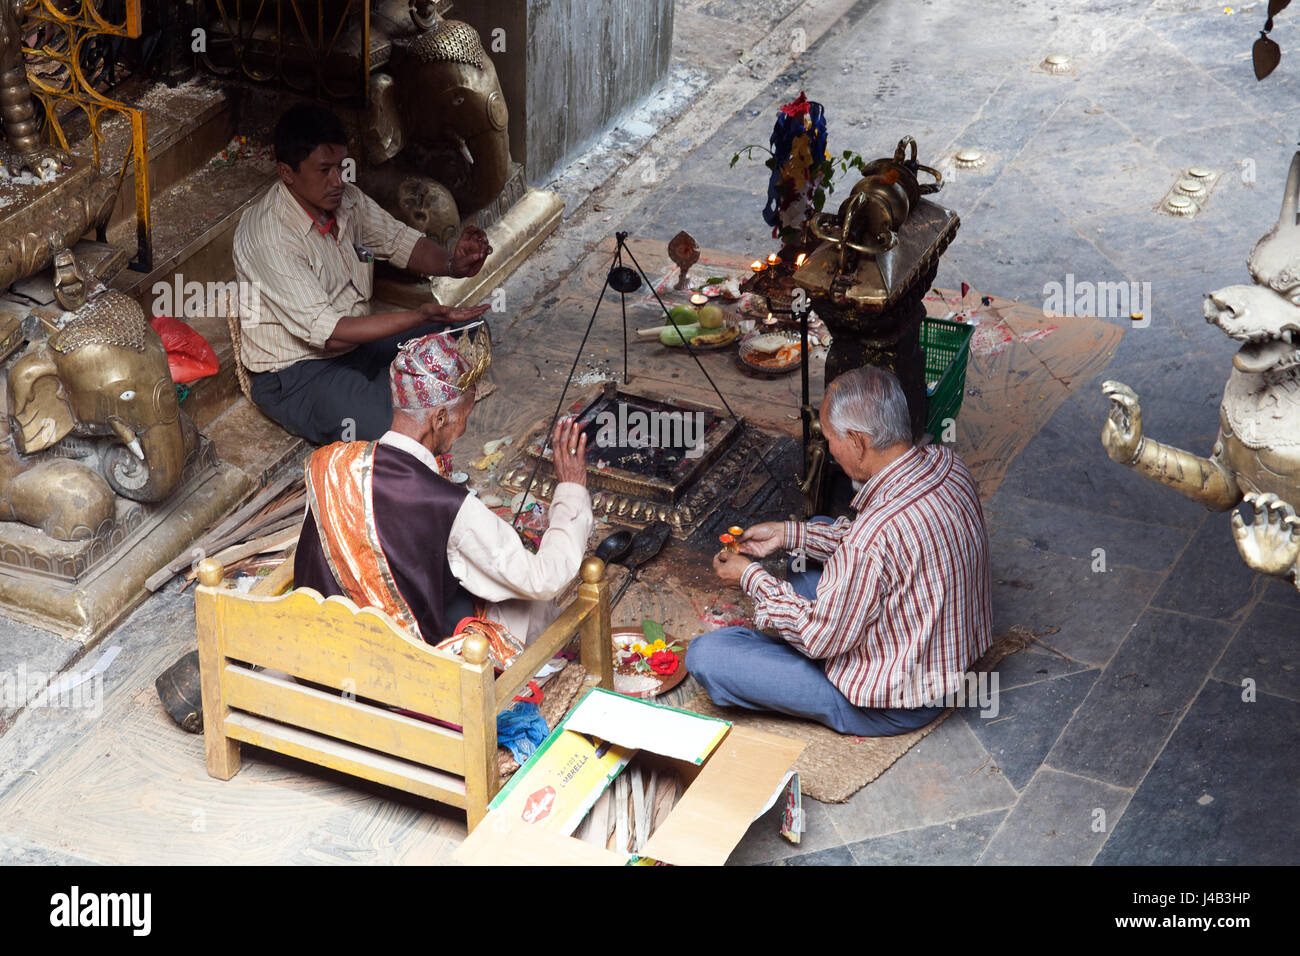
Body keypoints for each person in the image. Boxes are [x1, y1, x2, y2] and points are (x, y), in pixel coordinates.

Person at [686, 365, 992, 736]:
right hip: (944, 661)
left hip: (898, 702)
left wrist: (750, 577)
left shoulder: (873, 538)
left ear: (859, 443)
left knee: (708, 656)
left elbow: (821, 638)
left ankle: (831, 682)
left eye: (830, 439)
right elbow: (874, 548)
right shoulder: (947, 463)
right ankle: (806, 588)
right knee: (822, 529)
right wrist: (788, 534)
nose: (828, 449)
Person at [293, 329, 593, 647]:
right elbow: (541, 579)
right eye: (463, 415)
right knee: (530, 605)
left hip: (320, 645)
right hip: (399, 666)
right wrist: (572, 490)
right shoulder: (448, 505)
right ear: (438, 418)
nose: (463, 428)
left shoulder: (328, 463)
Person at [233, 103, 493, 446]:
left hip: (358, 347)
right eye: (324, 169)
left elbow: (402, 242)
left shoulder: (347, 201)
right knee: (393, 426)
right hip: (300, 373)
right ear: (287, 172)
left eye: (341, 166)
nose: (338, 180)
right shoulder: (270, 236)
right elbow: (331, 335)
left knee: (470, 334)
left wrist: (452, 265)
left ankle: (389, 386)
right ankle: (393, 390)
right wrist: (417, 316)